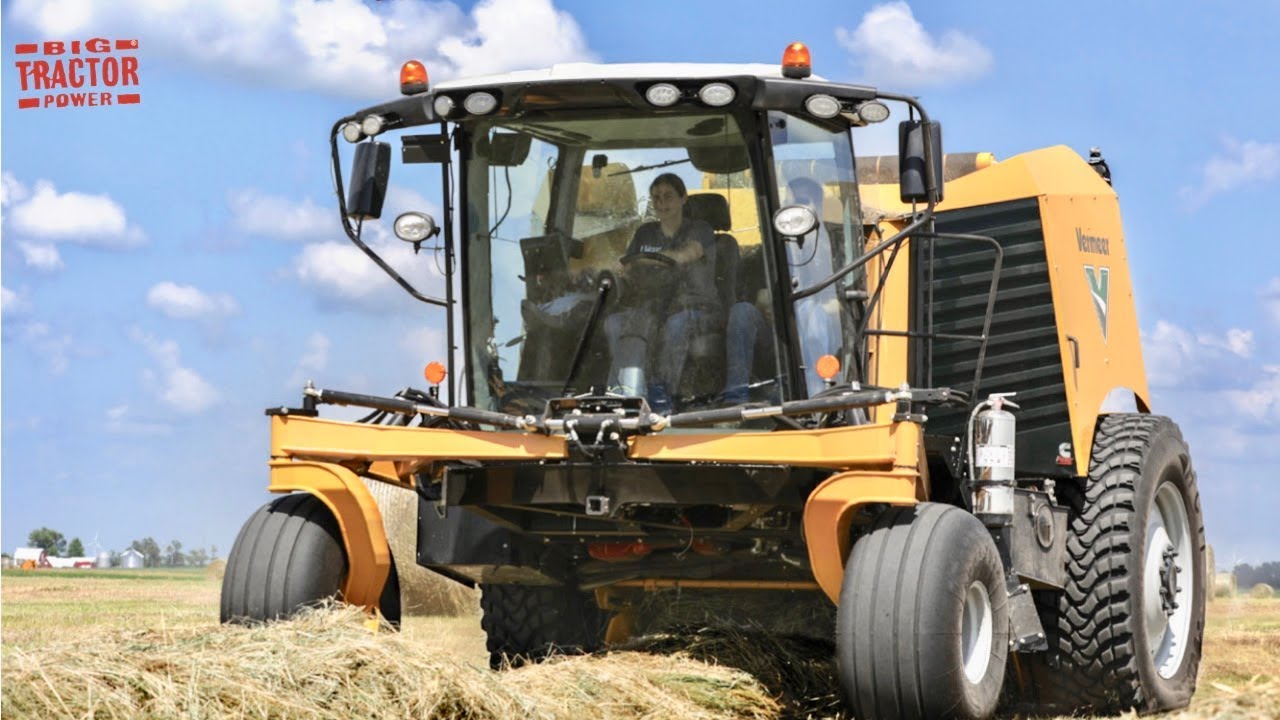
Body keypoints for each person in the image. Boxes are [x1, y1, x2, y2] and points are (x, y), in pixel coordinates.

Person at [604, 173, 718, 404]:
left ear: (684, 198)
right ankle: (625, 390)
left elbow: (687, 254)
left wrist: (643, 259)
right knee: (613, 323)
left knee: (676, 326)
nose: (661, 203)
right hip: (652, 306)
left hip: (696, 307)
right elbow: (624, 266)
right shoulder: (644, 232)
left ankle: (662, 392)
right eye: (656, 198)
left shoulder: (700, 229)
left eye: (668, 196)